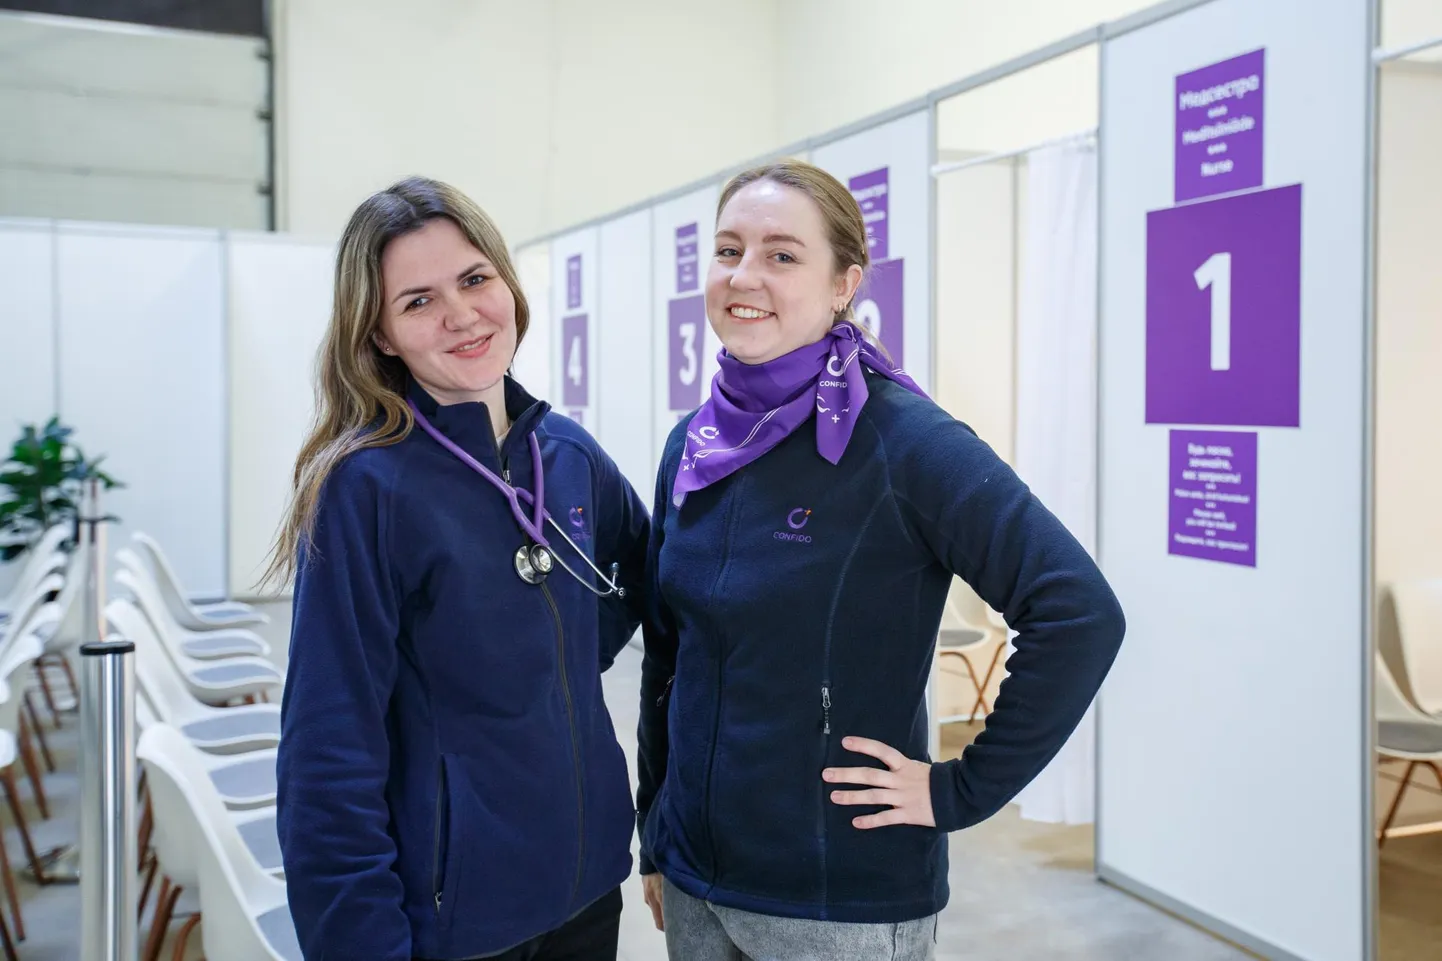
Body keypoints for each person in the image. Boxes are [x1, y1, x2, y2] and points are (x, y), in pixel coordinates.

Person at [635, 160, 1126, 960]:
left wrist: (958, 789)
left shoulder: (905, 443)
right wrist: (655, 830)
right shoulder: (691, 445)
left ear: (844, 284)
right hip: (696, 880)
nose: (744, 275)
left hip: (838, 898)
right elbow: (669, 654)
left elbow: (1078, 610)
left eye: (782, 255)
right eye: (728, 251)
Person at [268, 176, 649, 961]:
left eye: (475, 279)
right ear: (378, 335)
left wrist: (543, 670)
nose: (462, 315)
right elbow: (326, 751)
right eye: (418, 301)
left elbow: (644, 581)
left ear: (506, 281)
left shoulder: (567, 455)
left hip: (586, 889)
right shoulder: (364, 489)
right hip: (454, 919)